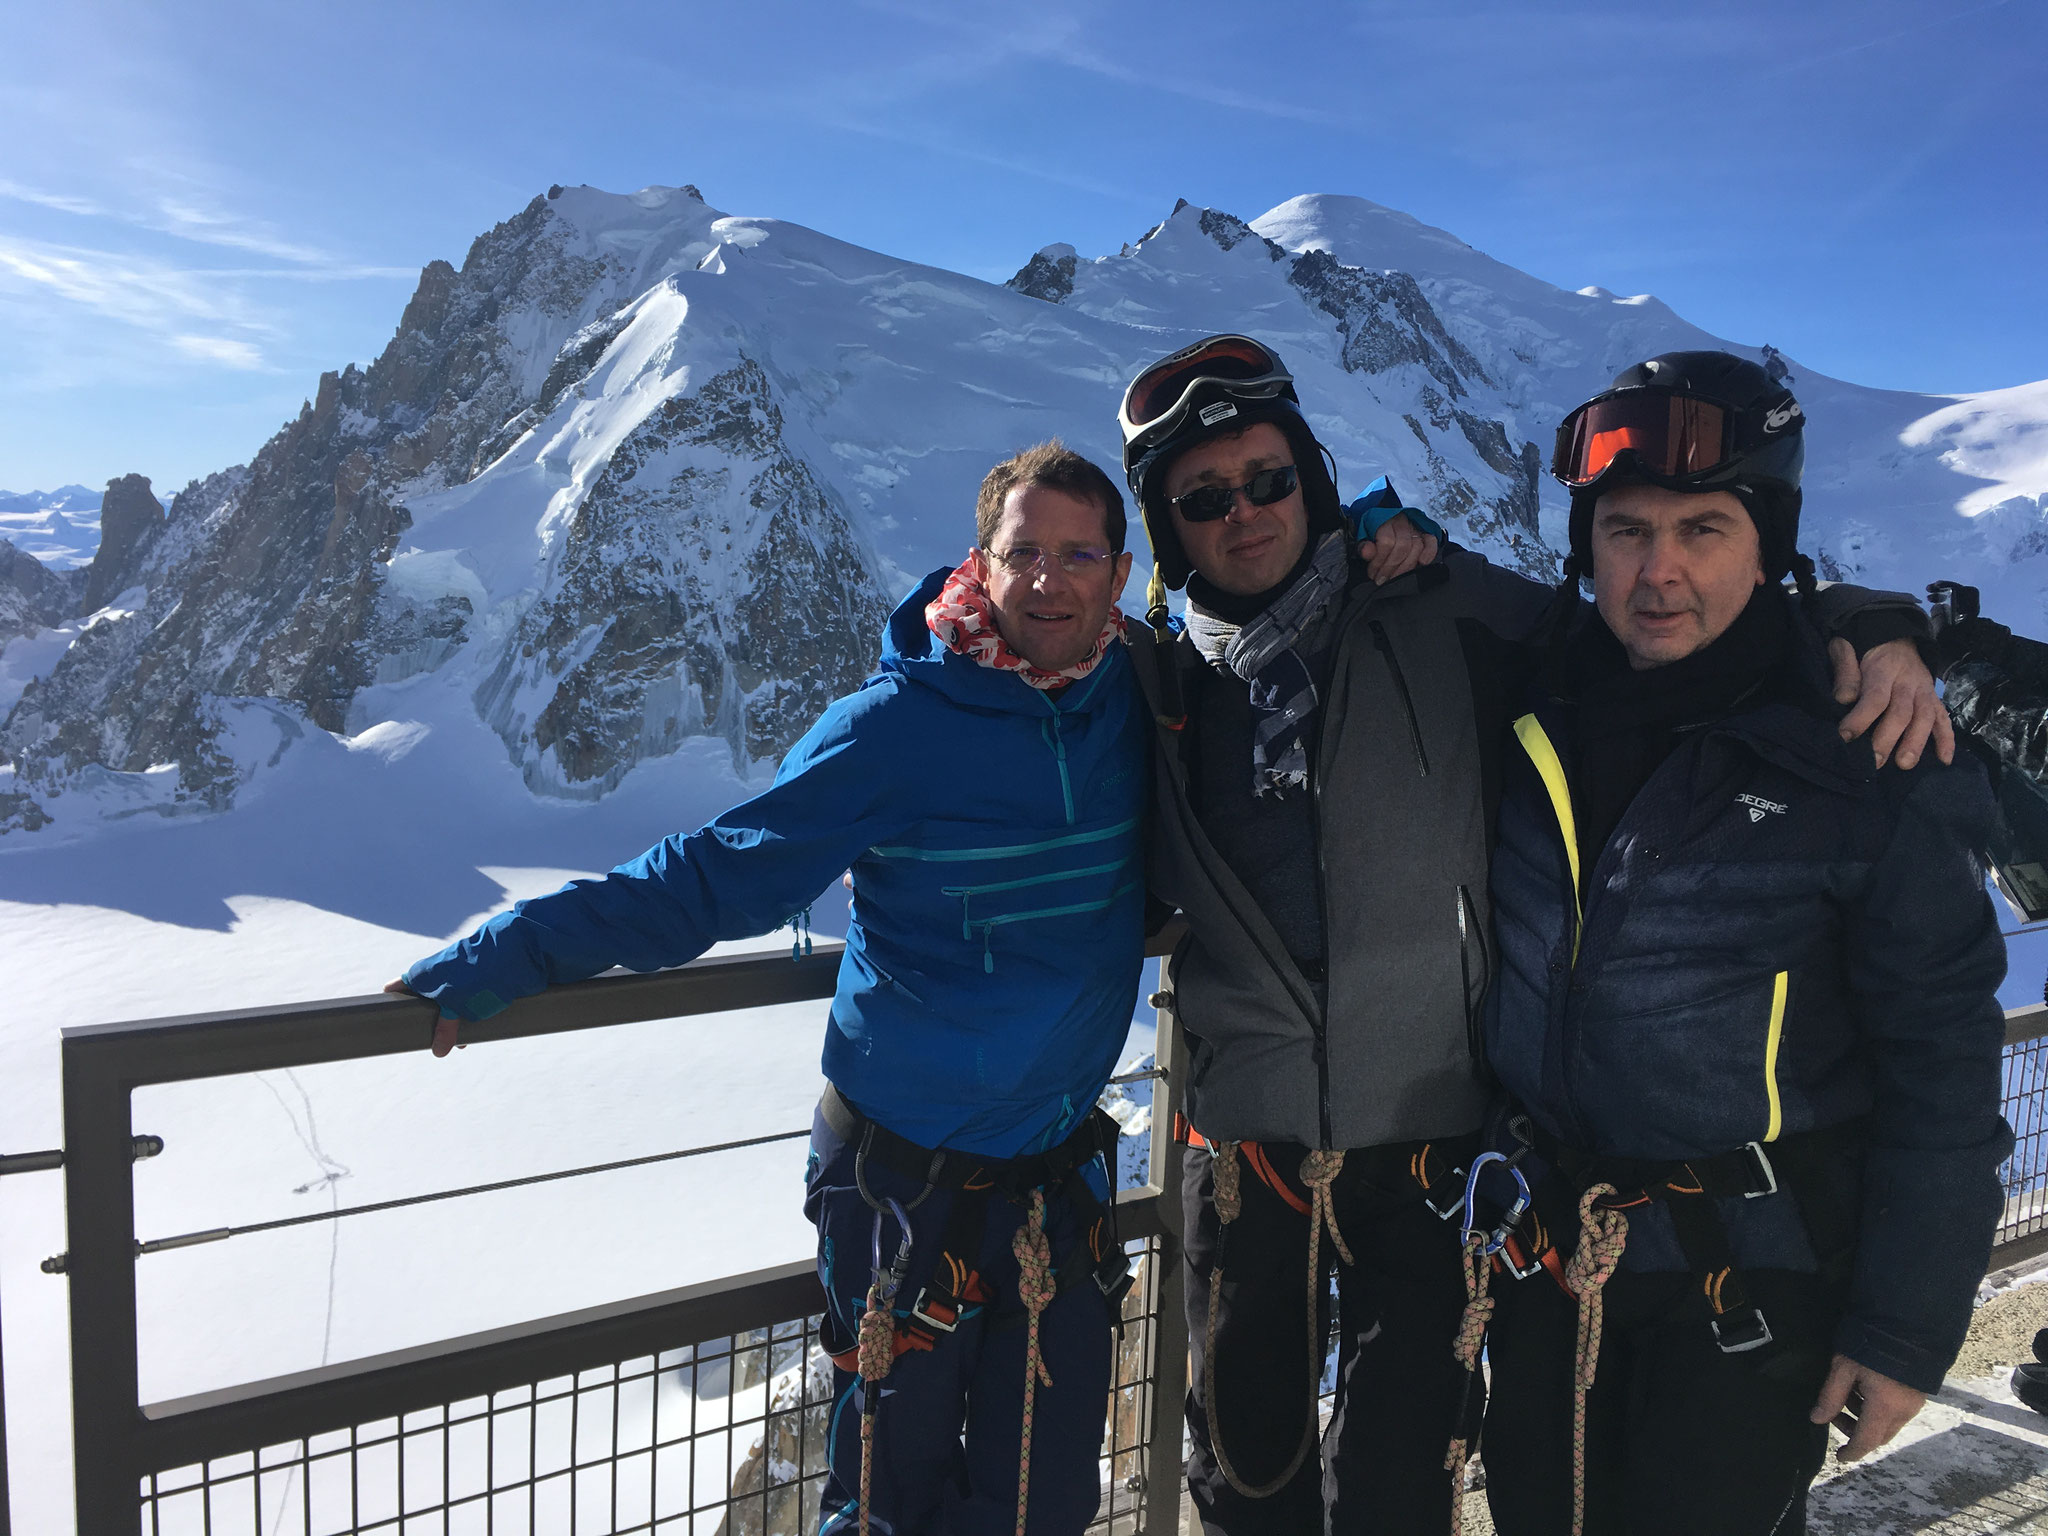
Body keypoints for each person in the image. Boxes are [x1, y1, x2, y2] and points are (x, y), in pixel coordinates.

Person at [1111, 335, 1948, 1534]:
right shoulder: (1146, 679)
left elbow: (1640, 625)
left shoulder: (1436, 605)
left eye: (1269, 478)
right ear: (1166, 520)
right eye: (1203, 497)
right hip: (1249, 1160)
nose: (1243, 512)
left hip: (1434, 1158)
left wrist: (1873, 625)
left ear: (1312, 473)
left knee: (1396, 1487)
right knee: (1248, 1483)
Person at [391, 441, 1147, 1536]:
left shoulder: (1141, 695)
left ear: (1118, 577)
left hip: (1054, 1182)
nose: (1048, 580)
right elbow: (717, 873)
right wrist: (518, 950)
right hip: (906, 1191)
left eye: (1077, 556)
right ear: (975, 564)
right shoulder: (894, 729)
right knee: (886, 1504)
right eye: (1022, 552)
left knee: (1040, 1506)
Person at [1476, 352, 2013, 1536]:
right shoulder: (1534, 700)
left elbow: (1941, 1057)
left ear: (1764, 547)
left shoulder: (1864, 754)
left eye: (1702, 530)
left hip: (1748, 1294)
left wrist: (1901, 1329)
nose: (1657, 572)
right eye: (1623, 531)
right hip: (1548, 1265)